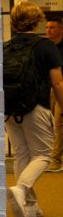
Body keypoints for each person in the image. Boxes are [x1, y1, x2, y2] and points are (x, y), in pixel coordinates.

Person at [5, 1, 63, 217]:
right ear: (37, 20)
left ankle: (30, 205)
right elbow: (57, 83)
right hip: (36, 106)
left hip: (10, 110)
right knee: (43, 155)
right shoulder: (46, 46)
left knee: (22, 154)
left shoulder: (5, 47)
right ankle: (22, 189)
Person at [46, 13, 63, 173]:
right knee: (51, 123)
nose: (48, 30)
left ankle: (56, 160)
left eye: (52, 27)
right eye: (47, 27)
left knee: (59, 123)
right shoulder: (47, 47)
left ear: (60, 29)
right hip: (50, 87)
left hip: (61, 86)